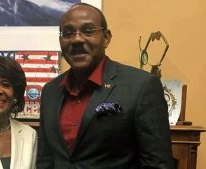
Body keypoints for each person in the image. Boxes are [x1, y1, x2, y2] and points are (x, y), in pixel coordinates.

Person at [36, 3, 174, 169]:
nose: (77, 39)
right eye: (68, 33)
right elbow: (45, 161)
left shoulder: (141, 86)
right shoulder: (50, 92)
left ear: (106, 38)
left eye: (88, 31)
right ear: (61, 40)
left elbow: (158, 164)